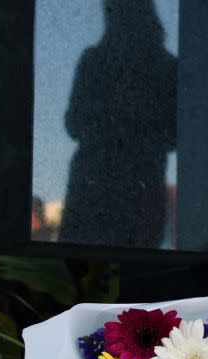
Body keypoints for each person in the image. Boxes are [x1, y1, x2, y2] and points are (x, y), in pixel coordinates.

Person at [58, 0, 176, 249]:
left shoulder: (166, 68)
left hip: (139, 191)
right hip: (93, 189)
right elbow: (74, 122)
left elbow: (174, 134)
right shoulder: (95, 60)